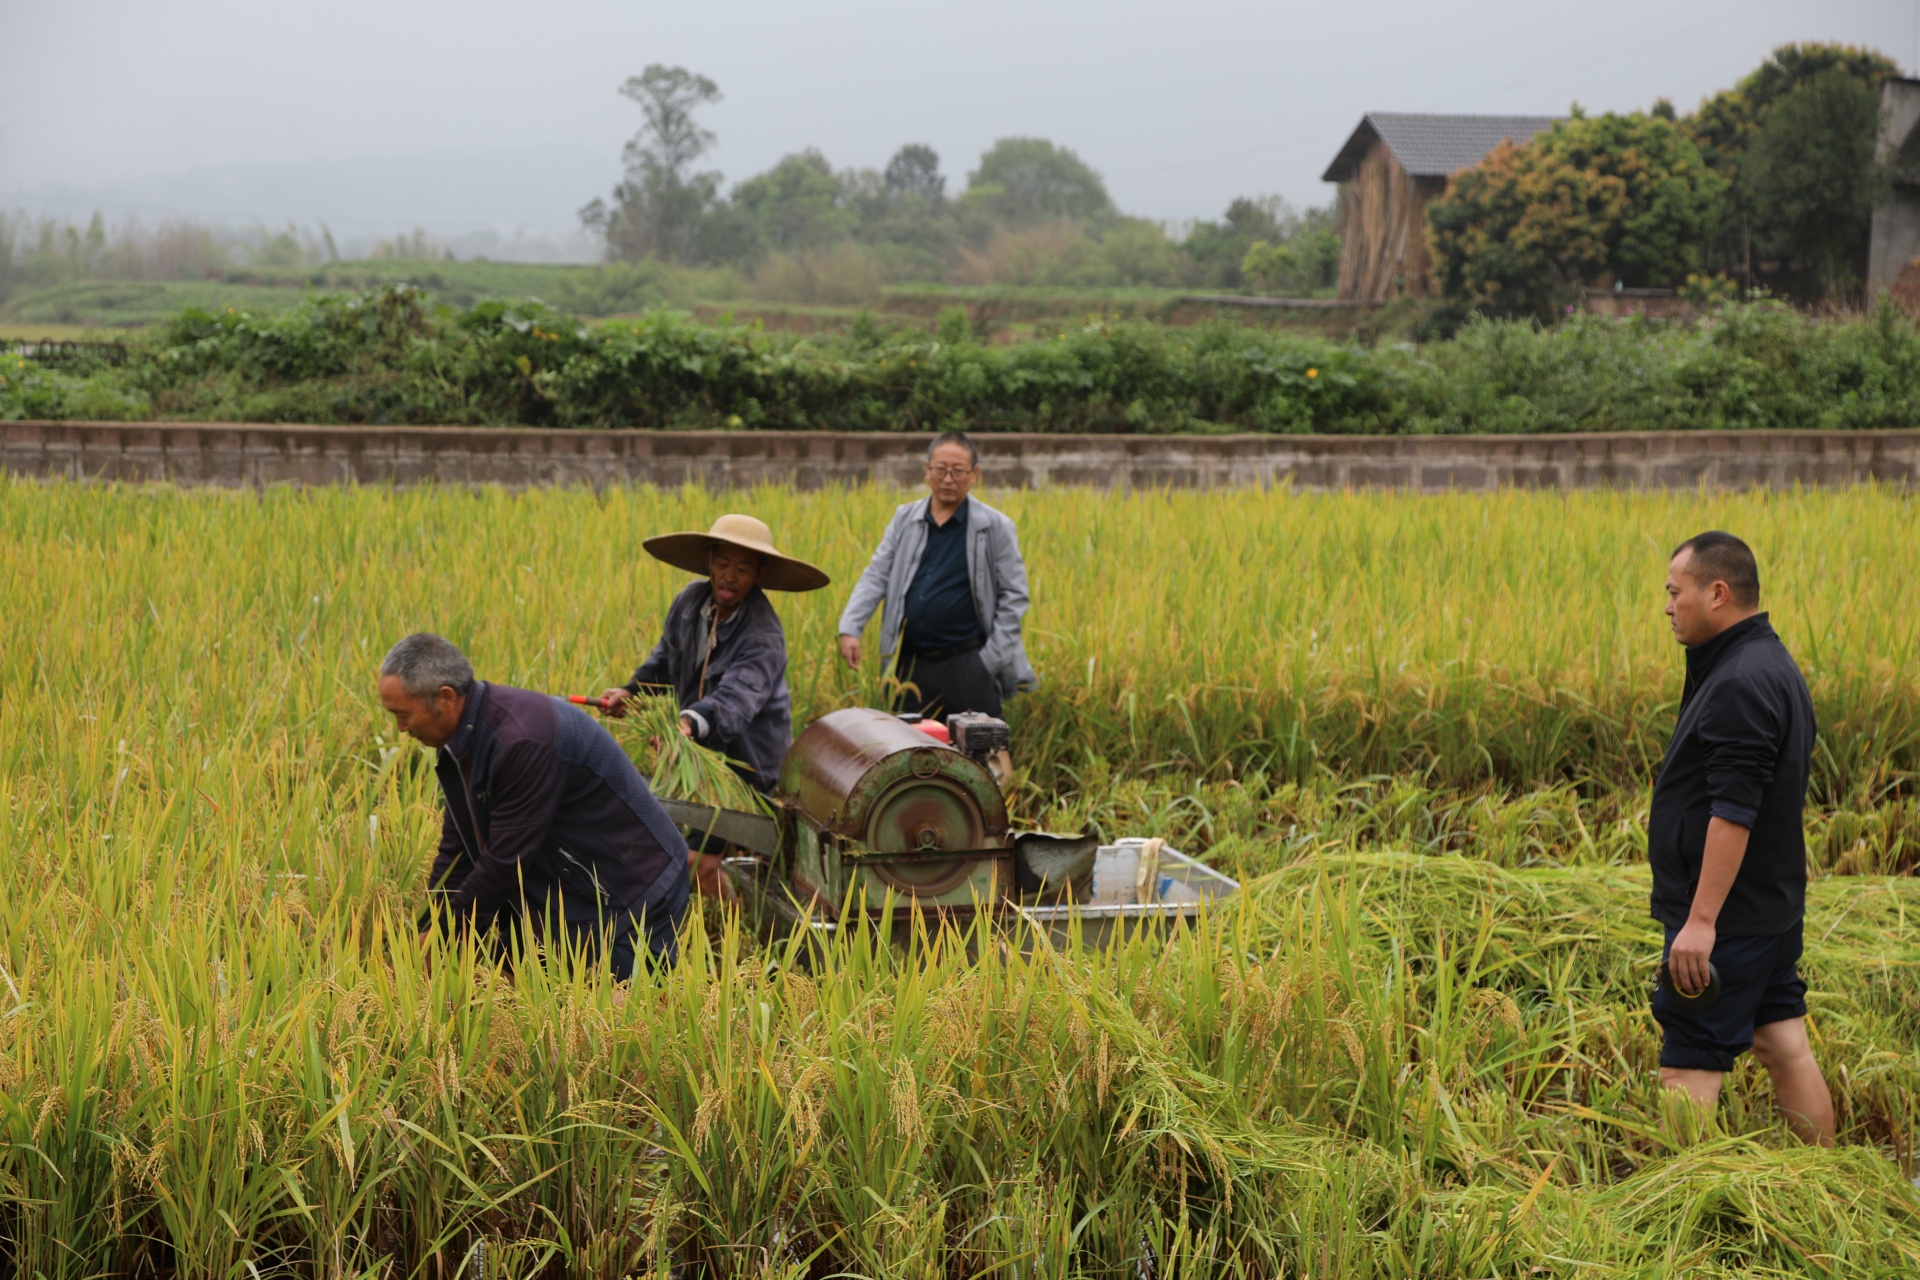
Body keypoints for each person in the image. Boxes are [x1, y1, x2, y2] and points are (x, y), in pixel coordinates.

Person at [1650, 531, 1834, 1144]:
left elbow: (1733, 812)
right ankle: (1823, 1182)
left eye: (1676, 593)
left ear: (1718, 593)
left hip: (1728, 919)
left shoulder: (1738, 682)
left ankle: (1682, 1220)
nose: (1668, 606)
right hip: (1768, 906)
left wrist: (1700, 922)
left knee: (1687, 1063)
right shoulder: (1767, 661)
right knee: (1782, 1041)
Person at [377, 632, 690, 979]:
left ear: (446, 698)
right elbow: (460, 850)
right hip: (565, 885)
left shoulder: (520, 740)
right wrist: (430, 926)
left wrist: (445, 939)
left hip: (633, 891)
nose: (400, 729)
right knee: (508, 990)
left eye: (403, 715)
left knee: (614, 1021)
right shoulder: (462, 740)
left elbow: (506, 859)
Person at [600, 513, 829, 894]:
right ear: (709, 560)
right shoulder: (691, 602)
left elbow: (735, 702)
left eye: (742, 569)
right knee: (662, 842)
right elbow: (665, 660)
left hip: (743, 767)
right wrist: (631, 691)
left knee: (697, 861)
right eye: (722, 564)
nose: (729, 577)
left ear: (760, 573)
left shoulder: (763, 634)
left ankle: (734, 938)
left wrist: (687, 723)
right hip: (697, 757)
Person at [836, 430, 1037, 737]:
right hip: (911, 662)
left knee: (984, 752)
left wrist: (988, 662)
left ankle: (1003, 787)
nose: (947, 479)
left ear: (974, 475)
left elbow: (1015, 596)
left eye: (958, 472)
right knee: (908, 750)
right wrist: (851, 626)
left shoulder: (994, 527)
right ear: (927, 469)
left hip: (969, 661)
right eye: (940, 470)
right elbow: (877, 573)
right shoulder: (905, 519)